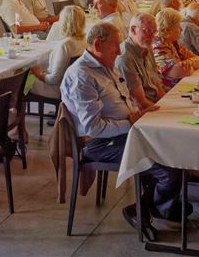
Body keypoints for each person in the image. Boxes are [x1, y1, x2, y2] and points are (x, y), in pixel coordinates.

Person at [61, 23, 184, 241]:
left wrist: (139, 112)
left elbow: (123, 101)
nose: (119, 51)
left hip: (123, 133)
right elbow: (93, 127)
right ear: (97, 44)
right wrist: (131, 123)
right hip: (98, 144)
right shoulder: (82, 75)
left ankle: (158, 205)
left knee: (175, 149)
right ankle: (144, 209)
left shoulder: (106, 65)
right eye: (115, 46)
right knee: (168, 169)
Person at [27, 6, 87, 100]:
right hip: (72, 85)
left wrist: (39, 74)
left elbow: (54, 79)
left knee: (22, 81)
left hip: (57, 89)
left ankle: (15, 111)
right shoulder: (83, 40)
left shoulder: (65, 45)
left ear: (65, 23)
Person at [116, 13, 166, 110]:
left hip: (155, 102)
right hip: (144, 111)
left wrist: (167, 102)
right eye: (148, 31)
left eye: (154, 32)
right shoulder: (125, 57)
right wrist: (165, 111)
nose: (152, 37)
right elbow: (140, 102)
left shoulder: (146, 47)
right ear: (133, 30)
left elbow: (156, 83)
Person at [152, 8, 199, 87]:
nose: (181, 30)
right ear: (167, 30)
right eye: (178, 27)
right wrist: (190, 66)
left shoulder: (172, 42)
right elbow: (179, 72)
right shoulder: (157, 47)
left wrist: (189, 62)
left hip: (181, 86)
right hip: (166, 93)